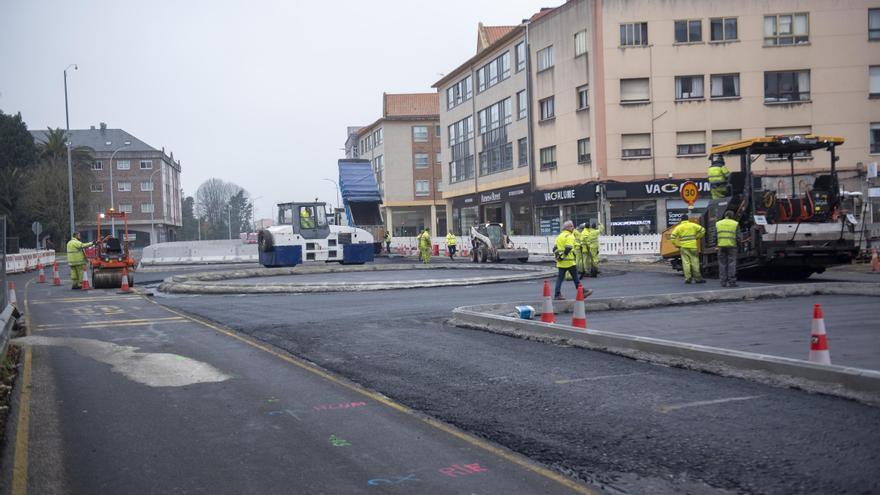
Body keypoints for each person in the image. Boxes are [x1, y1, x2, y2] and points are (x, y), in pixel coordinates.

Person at [552, 221, 593, 300]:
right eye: (571, 226)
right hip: (569, 262)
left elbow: (555, 248)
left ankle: (557, 294)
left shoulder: (559, 236)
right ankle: (582, 292)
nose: (573, 228)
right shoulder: (570, 236)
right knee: (575, 278)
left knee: (560, 279)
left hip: (561, 263)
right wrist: (563, 256)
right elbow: (568, 248)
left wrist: (558, 256)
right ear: (567, 227)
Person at [670, 214, 706, 284]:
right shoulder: (693, 225)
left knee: (686, 263)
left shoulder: (679, 227)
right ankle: (698, 279)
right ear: (687, 219)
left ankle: (688, 279)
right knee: (695, 262)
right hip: (693, 247)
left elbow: (672, 237)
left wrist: (677, 245)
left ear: (681, 220)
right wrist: (697, 237)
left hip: (683, 247)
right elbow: (703, 230)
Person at [715, 210, 740, 287]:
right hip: (732, 246)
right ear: (732, 216)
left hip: (721, 246)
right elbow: (738, 237)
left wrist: (716, 245)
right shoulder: (735, 224)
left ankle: (723, 282)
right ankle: (732, 282)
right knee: (731, 263)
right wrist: (739, 244)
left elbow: (714, 236)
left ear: (725, 215)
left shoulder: (718, 223)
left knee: (722, 264)